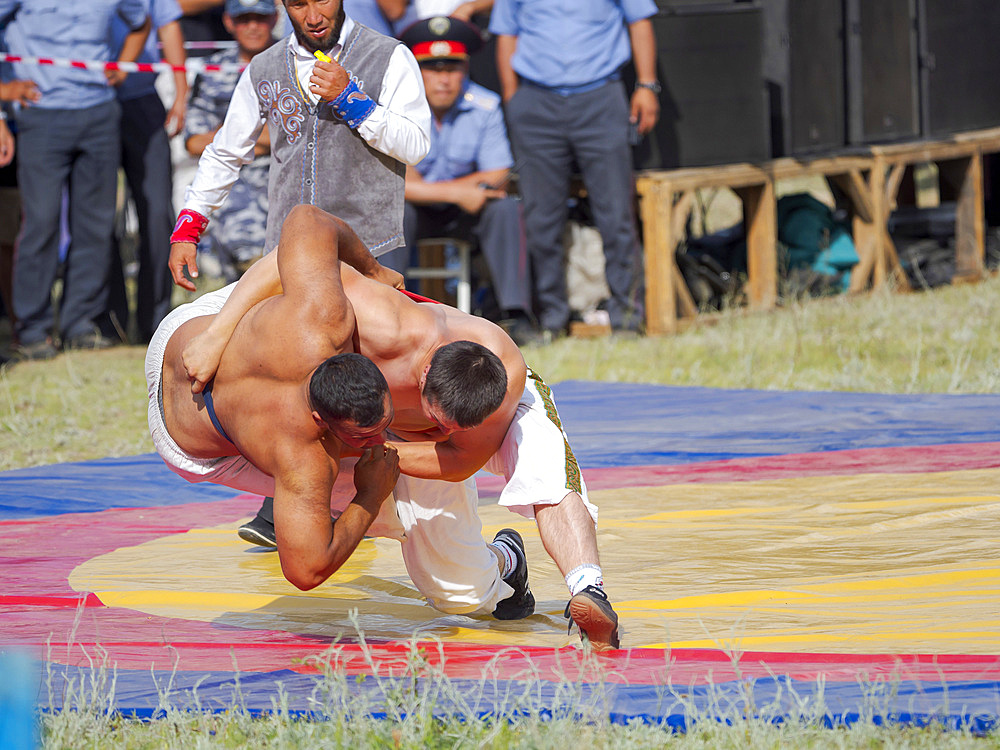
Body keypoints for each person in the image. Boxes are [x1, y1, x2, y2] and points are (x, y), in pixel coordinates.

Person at [184, 205, 621, 650]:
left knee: (543, 460)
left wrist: (380, 464)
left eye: (446, 426)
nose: (437, 429)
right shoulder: (371, 319)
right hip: (384, 429)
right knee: (459, 594)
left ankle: (589, 586)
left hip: (433, 425)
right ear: (426, 370)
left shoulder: (501, 376)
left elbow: (457, 460)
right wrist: (369, 268)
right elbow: (298, 240)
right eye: (432, 417)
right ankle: (507, 561)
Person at [146, 205, 403, 591]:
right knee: (397, 499)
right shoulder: (305, 458)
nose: (379, 438)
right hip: (186, 441)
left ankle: (297, 510)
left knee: (340, 282)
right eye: (364, 434)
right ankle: (491, 566)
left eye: (382, 426)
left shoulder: (321, 319)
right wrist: (369, 496)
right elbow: (305, 572)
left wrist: (373, 272)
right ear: (320, 422)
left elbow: (308, 219)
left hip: (186, 339)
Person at [168, 0, 431, 291]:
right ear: (282, 6)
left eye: (323, 0)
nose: (314, 17)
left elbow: (415, 147)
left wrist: (351, 101)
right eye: (298, 5)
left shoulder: (389, 55)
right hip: (289, 253)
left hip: (372, 250)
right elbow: (225, 154)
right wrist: (188, 229)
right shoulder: (263, 67)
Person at [489, 0, 660, 338]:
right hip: (536, 101)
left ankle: (626, 317)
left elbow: (640, 21)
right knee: (541, 218)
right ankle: (551, 318)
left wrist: (647, 84)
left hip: (600, 95)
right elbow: (506, 33)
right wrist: (513, 98)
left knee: (615, 214)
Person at [0, 0, 151, 359]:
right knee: (41, 222)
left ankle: (80, 324)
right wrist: (5, 92)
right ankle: (32, 331)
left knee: (95, 225)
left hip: (99, 113)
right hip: (41, 115)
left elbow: (141, 22)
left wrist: (122, 66)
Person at [381, 16, 532, 337]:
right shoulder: (394, 108)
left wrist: (437, 190)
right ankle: (387, 310)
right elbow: (399, 182)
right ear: (417, 72)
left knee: (505, 208)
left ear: (465, 71)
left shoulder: (484, 105)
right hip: (414, 212)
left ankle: (515, 313)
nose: (444, 80)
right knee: (391, 210)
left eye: (452, 69)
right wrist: (459, 191)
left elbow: (497, 172)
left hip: (466, 212)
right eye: (433, 69)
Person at [106, 0, 189, 343]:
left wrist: (181, 94)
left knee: (157, 211)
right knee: (96, 215)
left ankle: (155, 321)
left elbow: (168, 25)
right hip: (92, 102)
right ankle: (109, 322)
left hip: (142, 100)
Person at [183, 0, 277, 282]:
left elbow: (303, 136)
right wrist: (262, 136)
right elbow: (194, 142)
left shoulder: (296, 63)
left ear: (274, 19)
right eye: (243, 19)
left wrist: (230, 134)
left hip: (283, 175)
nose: (251, 27)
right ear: (228, 22)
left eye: (259, 18)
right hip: (232, 179)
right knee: (242, 261)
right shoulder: (212, 72)